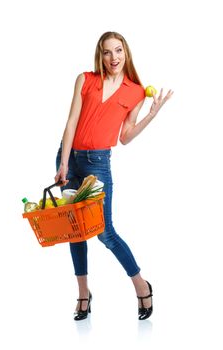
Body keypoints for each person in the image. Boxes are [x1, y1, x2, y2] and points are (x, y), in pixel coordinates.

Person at [55, 31, 173, 321]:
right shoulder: (86, 79)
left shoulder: (136, 91)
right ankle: (84, 295)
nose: (113, 58)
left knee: (105, 232)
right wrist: (63, 164)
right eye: (107, 52)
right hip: (69, 158)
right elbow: (71, 122)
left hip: (98, 164)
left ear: (126, 52)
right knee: (76, 231)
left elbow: (125, 136)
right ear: (100, 55)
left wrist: (151, 115)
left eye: (118, 51)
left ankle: (141, 286)